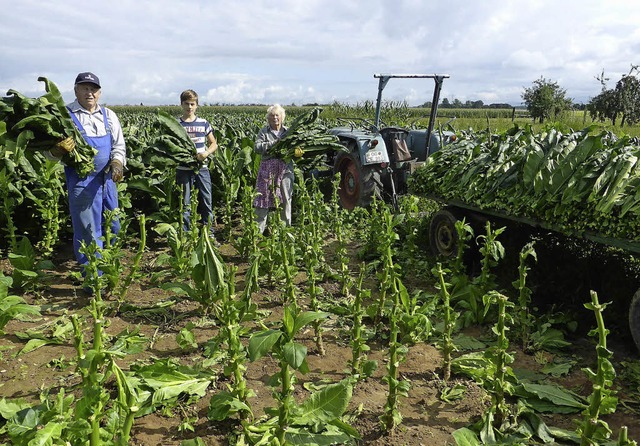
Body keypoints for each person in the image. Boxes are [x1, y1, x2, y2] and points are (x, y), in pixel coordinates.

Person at [50, 72, 126, 272]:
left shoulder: (109, 116)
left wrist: (117, 163)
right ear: (76, 91)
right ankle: (93, 276)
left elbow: (119, 146)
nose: (89, 93)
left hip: (107, 180)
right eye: (85, 88)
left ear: (99, 93)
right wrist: (57, 150)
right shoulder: (65, 116)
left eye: (93, 89)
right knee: (87, 230)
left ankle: (111, 270)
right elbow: (48, 155)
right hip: (81, 181)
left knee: (112, 225)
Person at [176, 89, 218, 236]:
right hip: (183, 168)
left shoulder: (204, 123)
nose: (189, 107)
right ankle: (186, 234)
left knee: (206, 200)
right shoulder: (176, 124)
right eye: (186, 104)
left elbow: (213, 143)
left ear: (197, 105)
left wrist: (206, 153)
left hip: (202, 167)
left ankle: (209, 233)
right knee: (184, 202)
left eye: (192, 104)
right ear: (181, 104)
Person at [253, 104, 293, 233]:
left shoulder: (289, 132)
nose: (275, 118)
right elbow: (257, 147)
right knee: (263, 199)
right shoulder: (264, 132)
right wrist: (273, 144)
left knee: (286, 198)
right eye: (272, 115)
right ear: (268, 118)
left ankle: (284, 230)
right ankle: (258, 231)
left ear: (282, 117)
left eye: (277, 115)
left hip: (285, 169)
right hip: (267, 170)